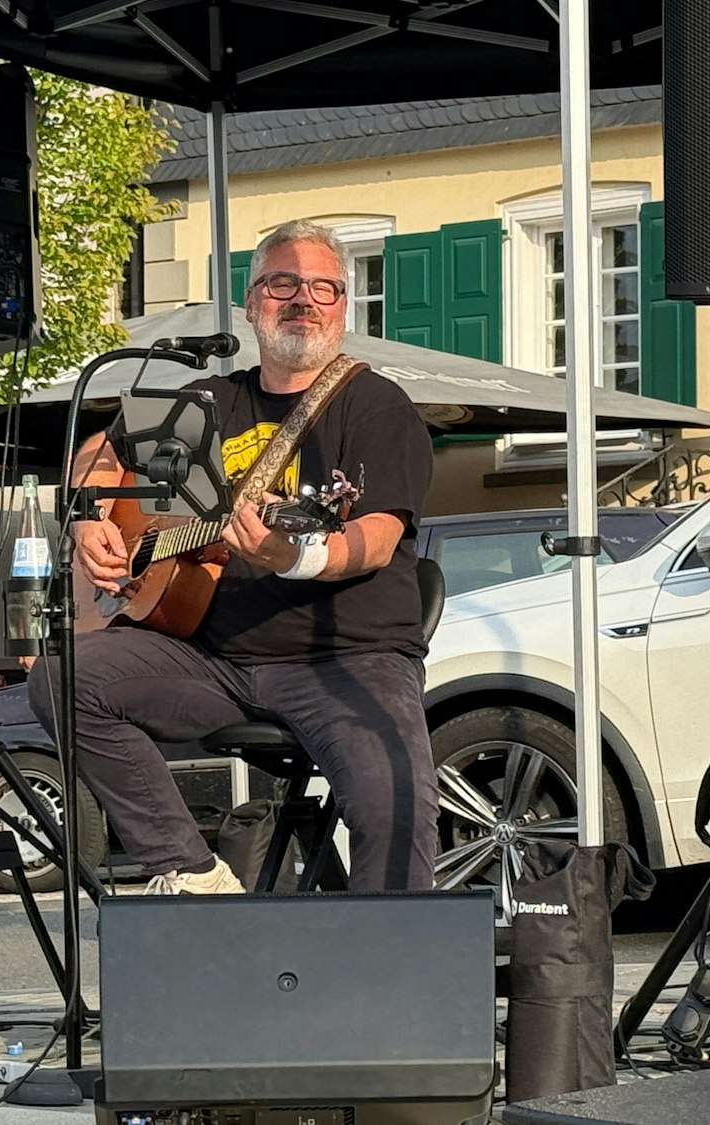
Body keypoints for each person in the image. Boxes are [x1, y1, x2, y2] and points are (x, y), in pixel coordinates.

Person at [29, 218, 438, 895]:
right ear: (251, 304)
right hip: (212, 658)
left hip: (348, 658)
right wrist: (89, 517)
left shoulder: (375, 405)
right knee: (62, 676)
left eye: (322, 287)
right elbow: (99, 454)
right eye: (282, 283)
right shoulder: (210, 403)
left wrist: (293, 554)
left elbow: (376, 539)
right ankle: (192, 876)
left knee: (397, 804)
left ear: (344, 306)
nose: (302, 299)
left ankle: (386, 982)